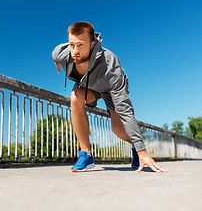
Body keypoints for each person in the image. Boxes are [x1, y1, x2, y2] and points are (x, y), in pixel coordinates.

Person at [52, 21, 167, 173]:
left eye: (80, 44)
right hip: (90, 87)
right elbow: (55, 53)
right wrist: (58, 62)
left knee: (118, 130)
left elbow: (126, 111)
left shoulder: (110, 66)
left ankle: (136, 148)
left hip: (111, 87)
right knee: (75, 96)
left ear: (92, 44)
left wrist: (142, 151)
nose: (75, 51)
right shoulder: (62, 53)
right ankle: (86, 155)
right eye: (72, 44)